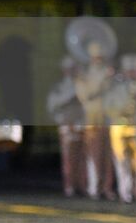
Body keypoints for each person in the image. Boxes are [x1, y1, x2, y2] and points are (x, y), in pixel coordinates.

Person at [105, 53, 136, 203]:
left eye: (135, 70)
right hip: (119, 128)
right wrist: (120, 110)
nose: (132, 74)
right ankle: (124, 192)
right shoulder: (115, 88)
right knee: (121, 160)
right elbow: (108, 107)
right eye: (129, 70)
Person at [75, 41, 116, 199]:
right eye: (96, 57)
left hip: (108, 118)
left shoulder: (109, 73)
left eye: (100, 57)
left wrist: (109, 80)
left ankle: (107, 187)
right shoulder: (83, 76)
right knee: (93, 155)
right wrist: (103, 83)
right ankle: (93, 187)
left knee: (108, 156)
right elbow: (86, 96)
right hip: (92, 119)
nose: (98, 60)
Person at [47, 56, 85, 198]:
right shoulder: (58, 87)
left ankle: (82, 185)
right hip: (66, 125)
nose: (70, 72)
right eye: (68, 69)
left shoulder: (82, 84)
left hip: (81, 124)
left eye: (73, 69)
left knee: (82, 157)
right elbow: (52, 107)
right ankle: (69, 186)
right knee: (68, 157)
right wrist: (61, 120)